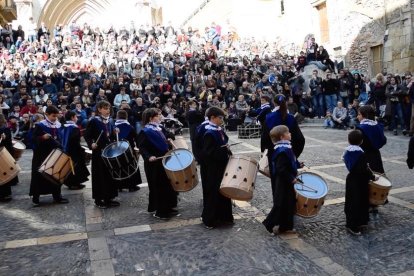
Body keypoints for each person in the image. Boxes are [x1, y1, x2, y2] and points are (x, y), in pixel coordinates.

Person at [137, 108, 178, 219]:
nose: (159, 117)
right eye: (157, 116)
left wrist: (170, 137)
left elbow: (169, 137)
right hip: (154, 163)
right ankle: (160, 211)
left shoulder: (159, 128)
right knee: (158, 187)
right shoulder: (145, 131)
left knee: (167, 185)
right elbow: (142, 147)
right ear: (151, 118)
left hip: (164, 160)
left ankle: (168, 207)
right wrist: (149, 156)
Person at [262, 125, 300, 234]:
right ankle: (268, 223)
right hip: (283, 181)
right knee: (280, 204)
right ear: (283, 136)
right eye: (288, 132)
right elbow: (280, 169)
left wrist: (298, 164)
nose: (290, 133)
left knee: (289, 203)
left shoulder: (286, 147)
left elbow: (290, 161)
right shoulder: (282, 150)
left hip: (286, 180)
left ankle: (285, 227)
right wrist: (291, 179)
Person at [201, 106, 233, 229]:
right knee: (214, 193)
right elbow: (208, 153)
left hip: (221, 166)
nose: (222, 120)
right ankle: (210, 219)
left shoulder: (218, 129)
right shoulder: (209, 132)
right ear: (212, 118)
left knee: (224, 192)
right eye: (220, 118)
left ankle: (224, 216)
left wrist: (226, 147)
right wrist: (222, 151)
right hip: (214, 168)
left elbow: (223, 141)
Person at [30, 105, 69, 206]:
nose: (55, 118)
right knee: (39, 175)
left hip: (55, 154)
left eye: (56, 116)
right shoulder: (40, 125)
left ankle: (57, 196)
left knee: (55, 175)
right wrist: (42, 137)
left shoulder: (58, 125)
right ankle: (36, 197)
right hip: (41, 154)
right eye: (53, 116)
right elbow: (33, 139)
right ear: (46, 114)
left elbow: (61, 138)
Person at [84, 100, 119, 209]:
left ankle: (109, 198)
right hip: (99, 152)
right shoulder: (94, 121)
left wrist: (115, 132)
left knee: (109, 175)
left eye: (108, 108)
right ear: (99, 109)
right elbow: (87, 135)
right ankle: (99, 200)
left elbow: (111, 135)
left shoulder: (111, 120)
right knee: (100, 175)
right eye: (105, 108)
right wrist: (91, 143)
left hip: (109, 151)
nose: (108, 111)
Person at [343, 129, 376, 235]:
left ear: (348, 140)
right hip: (361, 181)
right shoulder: (361, 154)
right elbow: (364, 169)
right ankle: (355, 225)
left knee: (352, 202)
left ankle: (353, 222)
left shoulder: (347, 152)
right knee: (361, 201)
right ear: (361, 141)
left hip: (351, 180)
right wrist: (372, 176)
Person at [114, 110, 142, 192]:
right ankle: (131, 186)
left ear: (117, 117)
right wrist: (138, 147)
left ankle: (119, 187)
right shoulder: (130, 127)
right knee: (130, 167)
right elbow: (136, 138)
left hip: (117, 150)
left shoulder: (113, 126)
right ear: (126, 117)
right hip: (128, 150)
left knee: (119, 167)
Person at [61, 111, 89, 190]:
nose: (76, 118)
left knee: (68, 167)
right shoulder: (74, 128)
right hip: (74, 151)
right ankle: (75, 183)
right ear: (72, 117)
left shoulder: (64, 126)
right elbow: (75, 141)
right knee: (76, 167)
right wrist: (81, 149)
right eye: (76, 117)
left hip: (66, 150)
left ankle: (69, 183)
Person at [0, 114, 18, 202]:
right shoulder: (5, 128)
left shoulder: (4, 129)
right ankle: (6, 194)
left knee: (3, 173)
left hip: (3, 153)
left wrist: (3, 138)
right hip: (5, 152)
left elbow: (6, 140)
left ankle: (5, 195)